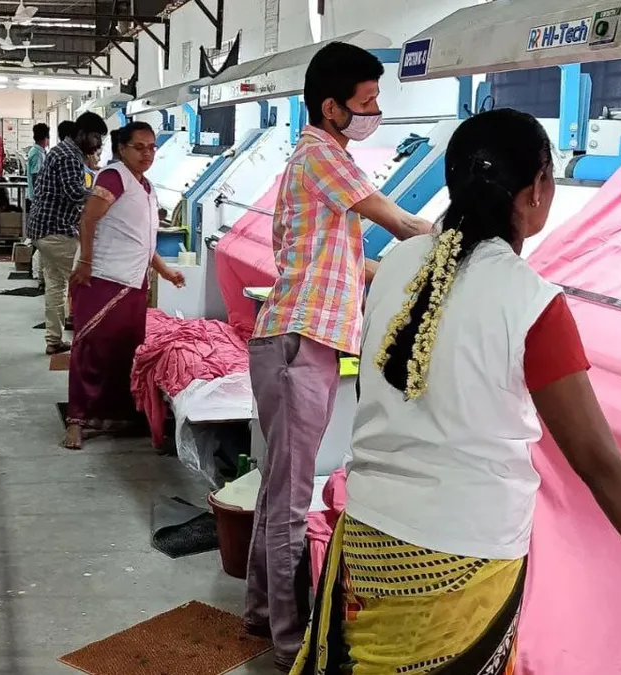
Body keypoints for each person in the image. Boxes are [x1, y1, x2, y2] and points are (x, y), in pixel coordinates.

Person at [291, 108, 621, 674]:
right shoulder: (532, 302)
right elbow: (602, 467)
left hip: (366, 544)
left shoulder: (396, 263)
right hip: (459, 564)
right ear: (538, 189)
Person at [244, 42, 433, 672]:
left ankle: (258, 611)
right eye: (367, 101)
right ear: (331, 107)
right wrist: (468, 238)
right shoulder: (323, 156)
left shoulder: (318, 161)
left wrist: (404, 275)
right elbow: (401, 223)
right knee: (293, 500)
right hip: (299, 346)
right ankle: (291, 643)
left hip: (299, 343)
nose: (376, 110)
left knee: (278, 489)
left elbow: (354, 263)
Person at [61, 122, 182, 450]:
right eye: (139, 147)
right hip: (103, 278)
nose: (147, 154)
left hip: (133, 283)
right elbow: (88, 219)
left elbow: (144, 241)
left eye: (152, 147)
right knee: (91, 349)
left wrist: (166, 271)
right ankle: (77, 419)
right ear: (121, 149)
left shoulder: (146, 187)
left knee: (123, 351)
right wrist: (85, 262)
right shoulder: (113, 177)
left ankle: (110, 415)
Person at [29, 112, 108, 355]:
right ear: (82, 134)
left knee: (56, 285)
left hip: (44, 229)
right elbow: (75, 194)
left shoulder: (64, 151)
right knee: (86, 284)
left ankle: (54, 340)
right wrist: (106, 198)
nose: (98, 144)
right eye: (96, 138)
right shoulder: (69, 156)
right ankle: (92, 345)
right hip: (56, 231)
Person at [26, 123, 50, 212]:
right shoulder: (36, 153)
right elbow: (36, 177)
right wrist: (40, 196)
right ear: (45, 138)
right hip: (37, 197)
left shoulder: (41, 152)